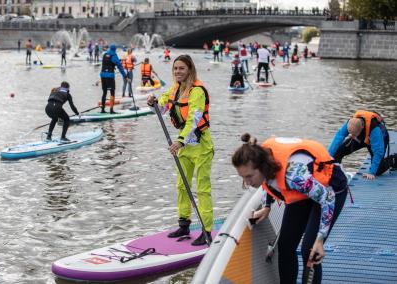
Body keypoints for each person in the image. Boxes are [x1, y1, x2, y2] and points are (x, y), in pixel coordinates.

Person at [232, 134, 348, 284]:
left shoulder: (293, 176)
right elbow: (269, 183)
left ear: (262, 167)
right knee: (285, 246)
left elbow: (327, 198)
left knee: (309, 250)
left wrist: (320, 239)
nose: (247, 183)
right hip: (305, 191)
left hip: (330, 190)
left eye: (249, 176)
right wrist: (267, 206)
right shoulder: (261, 157)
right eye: (243, 177)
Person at [147, 54, 214, 246]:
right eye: (175, 68)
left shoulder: (198, 91)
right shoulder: (173, 90)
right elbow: (160, 110)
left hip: (201, 146)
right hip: (184, 147)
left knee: (202, 189)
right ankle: (184, 224)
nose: (177, 71)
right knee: (181, 186)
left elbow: (194, 119)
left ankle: (207, 231)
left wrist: (180, 141)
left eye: (181, 68)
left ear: (190, 70)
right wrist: (153, 104)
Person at [328, 110, 396, 180]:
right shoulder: (350, 123)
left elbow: (378, 152)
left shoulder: (375, 130)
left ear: (362, 128)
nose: (353, 136)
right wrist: (328, 157)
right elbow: (338, 138)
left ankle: (394, 159)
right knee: (338, 151)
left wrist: (371, 172)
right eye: (351, 134)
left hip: (378, 140)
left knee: (378, 170)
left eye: (354, 135)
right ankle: (336, 173)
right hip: (362, 138)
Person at [100, 44, 128, 114]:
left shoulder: (105, 54)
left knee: (104, 92)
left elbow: (109, 62)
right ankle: (111, 110)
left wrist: (118, 61)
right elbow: (120, 67)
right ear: (115, 49)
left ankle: (102, 109)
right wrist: (125, 76)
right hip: (110, 76)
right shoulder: (114, 56)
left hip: (102, 75)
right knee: (112, 92)